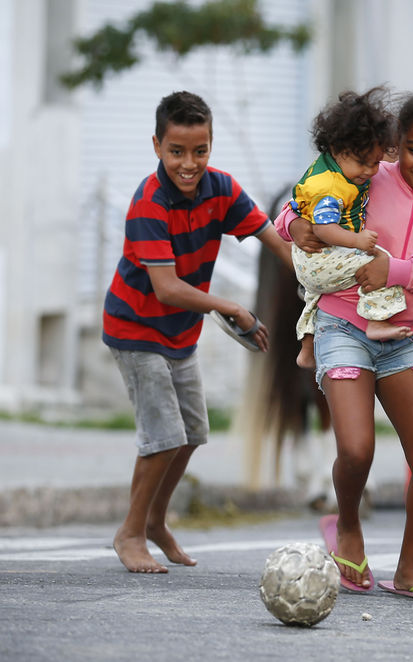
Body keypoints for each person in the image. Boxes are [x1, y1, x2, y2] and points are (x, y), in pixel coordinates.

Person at [277, 91, 413, 603]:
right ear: (396, 146)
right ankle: (347, 526)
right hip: (343, 325)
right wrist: (295, 227)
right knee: (356, 448)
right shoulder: (371, 172)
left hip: (402, 338)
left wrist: (395, 270)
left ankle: (412, 568)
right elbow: (298, 205)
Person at [102, 90, 292, 573]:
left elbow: (274, 240)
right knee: (163, 435)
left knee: (190, 434)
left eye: (200, 150)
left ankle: (155, 522)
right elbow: (166, 288)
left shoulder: (221, 189)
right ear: (157, 146)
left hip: (179, 334)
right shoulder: (150, 202)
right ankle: (129, 532)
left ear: (210, 145)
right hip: (136, 328)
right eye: (177, 151)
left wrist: (319, 280)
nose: (189, 163)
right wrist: (231, 307)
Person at [289, 87, 410, 371]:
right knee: (382, 264)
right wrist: (357, 241)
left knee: (314, 294)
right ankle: (377, 320)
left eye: (376, 163)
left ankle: (307, 348)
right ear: (338, 149)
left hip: (309, 264)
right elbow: (323, 230)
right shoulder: (331, 187)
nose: (370, 171)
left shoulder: (327, 169)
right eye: (362, 163)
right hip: (320, 256)